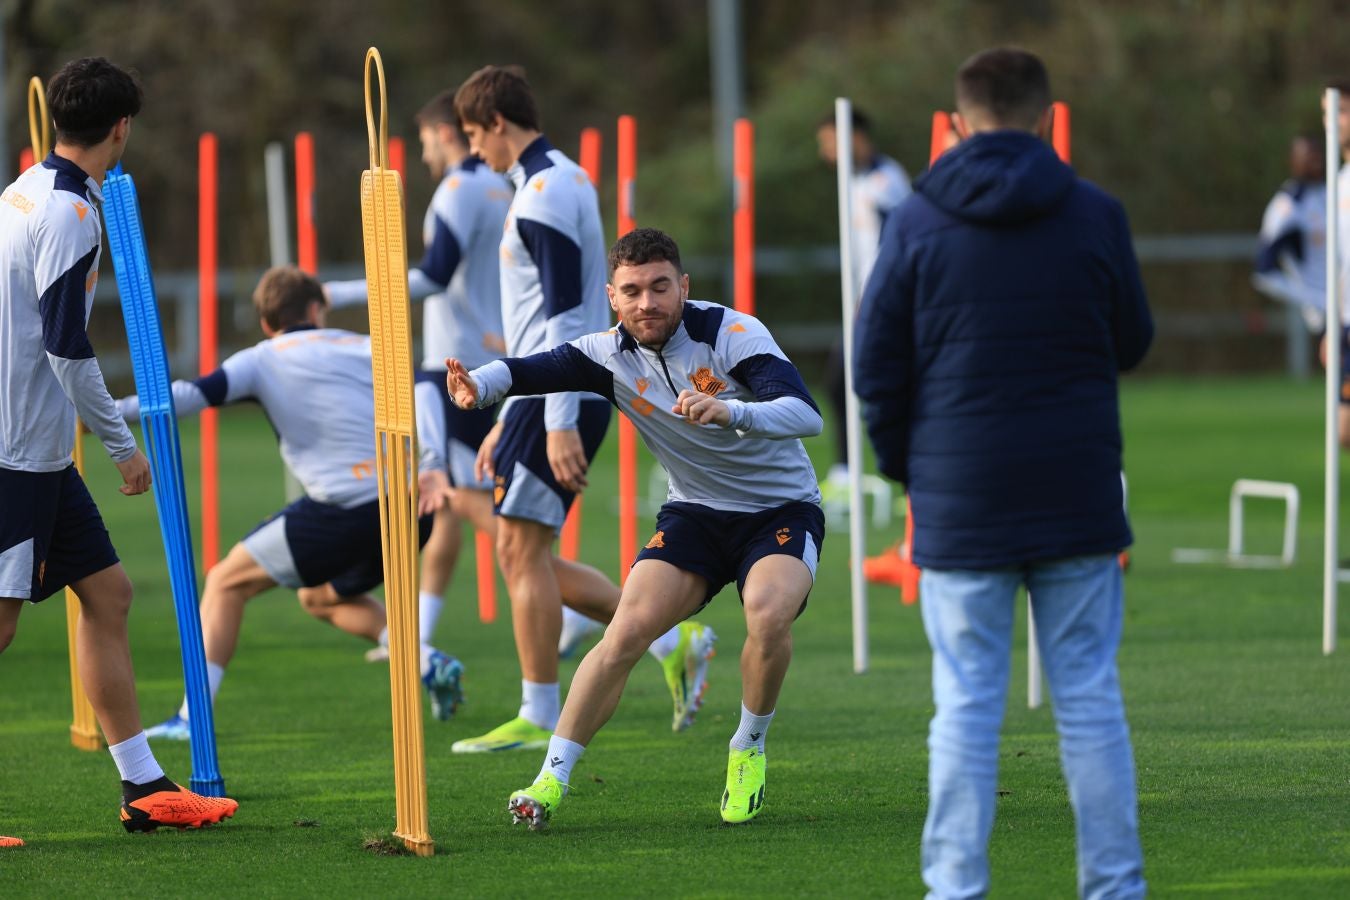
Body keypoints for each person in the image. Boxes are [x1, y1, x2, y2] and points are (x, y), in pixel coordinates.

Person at [853, 48, 1151, 898]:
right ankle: (1116, 887)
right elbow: (1132, 341)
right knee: (1089, 701)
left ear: (957, 121)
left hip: (959, 498)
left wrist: (905, 469)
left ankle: (954, 888)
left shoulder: (915, 219)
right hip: (1078, 492)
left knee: (967, 706)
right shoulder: (1096, 213)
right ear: (1045, 115)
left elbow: (875, 367)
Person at [445, 227, 826, 829]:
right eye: (633, 291)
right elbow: (532, 370)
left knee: (767, 614)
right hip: (696, 514)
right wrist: (480, 385)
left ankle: (747, 746)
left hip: (780, 509)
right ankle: (550, 780)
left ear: (684, 287)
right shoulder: (605, 354)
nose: (648, 302)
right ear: (613, 298)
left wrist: (733, 411)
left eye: (660, 287)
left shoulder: (732, 334)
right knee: (624, 634)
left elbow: (806, 416)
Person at [0, 57, 237, 834]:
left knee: (108, 593)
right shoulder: (69, 211)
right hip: (14, 451)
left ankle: (142, 786)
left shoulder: (22, 191)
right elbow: (68, 347)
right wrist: (121, 446)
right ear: (122, 127)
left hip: (37, 451)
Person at [449, 67, 716, 754]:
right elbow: (546, 317)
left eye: (476, 136)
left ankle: (540, 710)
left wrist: (559, 419)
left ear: (498, 124)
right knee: (518, 548)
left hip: (559, 396)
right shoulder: (556, 178)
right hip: (541, 397)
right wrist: (510, 418)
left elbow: (569, 315)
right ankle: (672, 639)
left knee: (519, 547)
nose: (476, 152)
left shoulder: (543, 192)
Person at [325, 89, 609, 664]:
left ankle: (629, 629)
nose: (446, 150)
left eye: (449, 137)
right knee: (465, 509)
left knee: (491, 523)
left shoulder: (472, 189)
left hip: (464, 369)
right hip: (508, 374)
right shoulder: (524, 183)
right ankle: (422, 635)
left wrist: (338, 293)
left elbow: (447, 280)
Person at [123, 266, 464, 739]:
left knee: (224, 582)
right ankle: (427, 661)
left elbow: (187, 397)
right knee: (319, 596)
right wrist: (433, 462)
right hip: (409, 506)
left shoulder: (261, 358)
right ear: (316, 309)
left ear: (266, 322)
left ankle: (190, 717)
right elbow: (428, 385)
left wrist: (106, 414)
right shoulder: (362, 344)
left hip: (343, 513)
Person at [814, 108, 911, 489]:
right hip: (861, 301)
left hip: (882, 303)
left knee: (858, 382)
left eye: (829, 143)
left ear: (854, 137)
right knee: (839, 384)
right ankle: (845, 472)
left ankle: (880, 471)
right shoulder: (853, 182)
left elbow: (896, 246)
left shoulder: (887, 184)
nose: (825, 153)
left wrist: (875, 296)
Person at [1253, 133, 1327, 328]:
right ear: (1293, 160)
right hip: (1327, 315)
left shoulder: (1335, 191)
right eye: (1309, 156)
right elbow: (1264, 272)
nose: (1316, 160)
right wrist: (1317, 299)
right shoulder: (1288, 207)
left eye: (1318, 154)